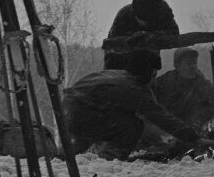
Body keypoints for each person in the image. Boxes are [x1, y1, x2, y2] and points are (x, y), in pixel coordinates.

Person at [62, 50, 201, 160]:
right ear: (148, 72)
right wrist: (193, 137)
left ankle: (63, 157)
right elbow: (160, 116)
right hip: (82, 114)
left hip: (69, 110)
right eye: (153, 73)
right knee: (133, 125)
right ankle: (108, 160)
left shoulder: (114, 75)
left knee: (84, 137)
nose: (154, 77)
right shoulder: (134, 88)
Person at [152, 47, 214, 129]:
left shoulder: (198, 78)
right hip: (168, 121)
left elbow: (210, 91)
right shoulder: (166, 81)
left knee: (211, 108)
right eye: (188, 63)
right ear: (177, 66)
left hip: (187, 121)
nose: (193, 67)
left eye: (194, 63)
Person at [104, 0, 179, 73]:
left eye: (150, 20)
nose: (146, 24)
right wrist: (129, 41)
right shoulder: (123, 16)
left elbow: (174, 34)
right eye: (143, 20)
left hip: (149, 59)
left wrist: (151, 36)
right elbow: (110, 46)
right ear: (134, 14)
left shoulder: (163, 12)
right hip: (122, 60)